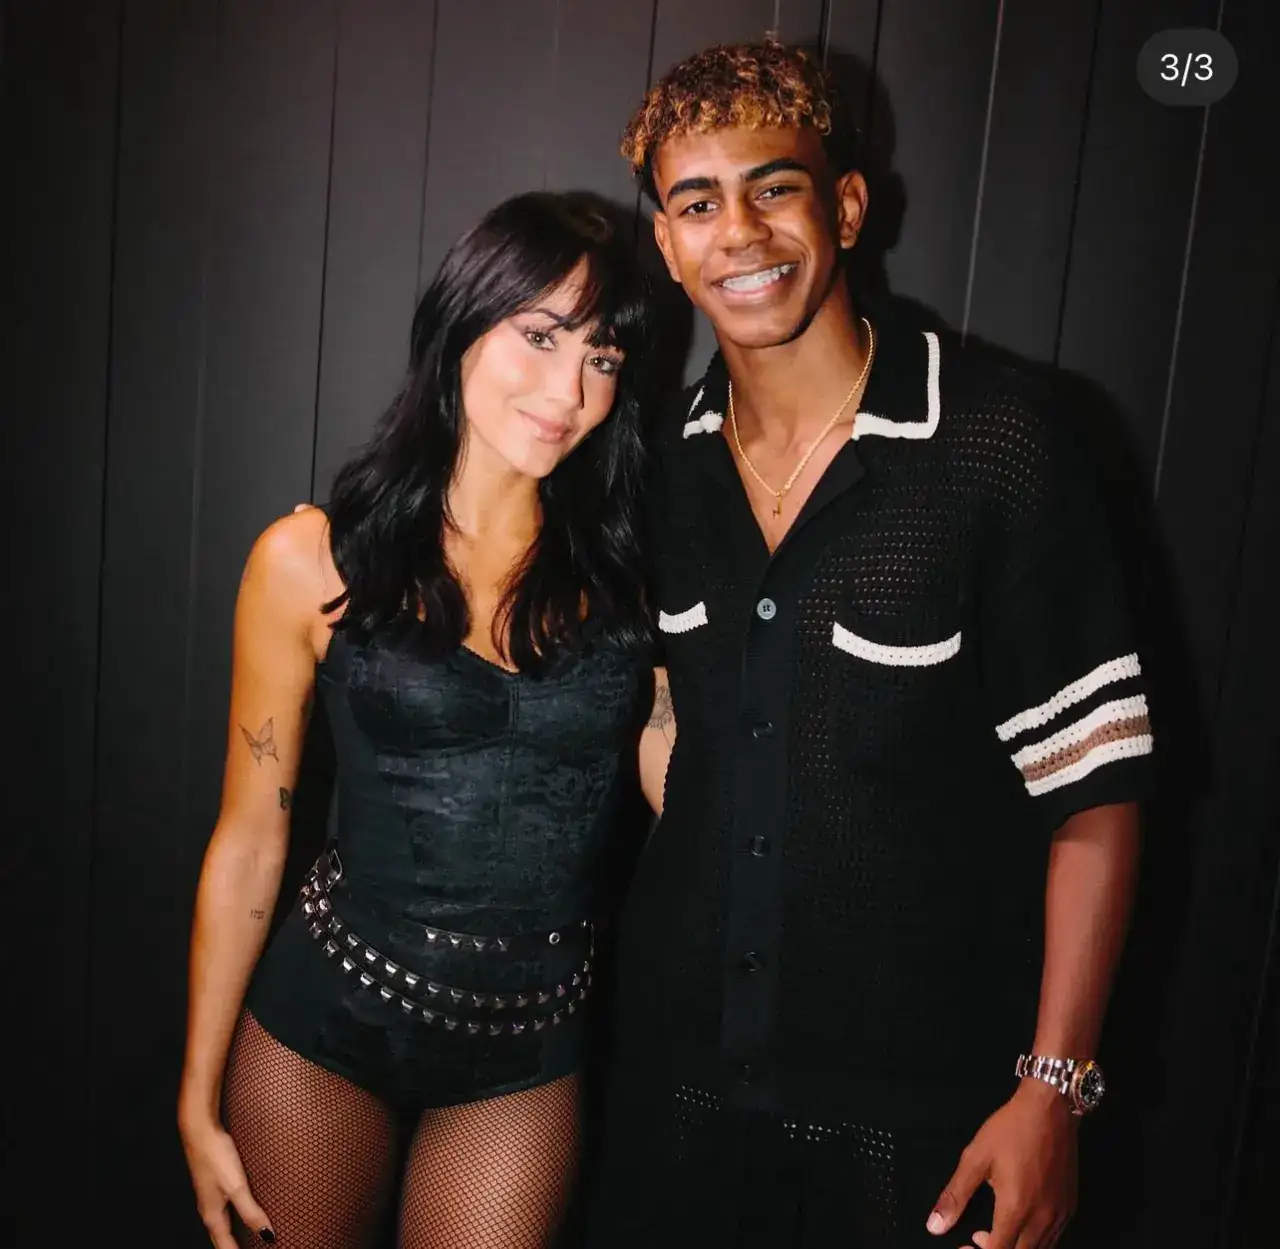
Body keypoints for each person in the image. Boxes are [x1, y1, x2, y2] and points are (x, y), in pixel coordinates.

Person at [586, 37, 1153, 1249]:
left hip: (922, 1121)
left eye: (773, 187)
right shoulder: (657, 473)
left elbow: (1095, 799)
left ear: (843, 206)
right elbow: (668, 736)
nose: (739, 232)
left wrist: (1051, 1089)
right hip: (673, 1097)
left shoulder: (999, 441)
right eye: (698, 203)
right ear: (666, 245)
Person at [177, 190, 657, 1249]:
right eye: (539, 336)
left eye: (602, 357)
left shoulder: (630, 580)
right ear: (461, 322)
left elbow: (683, 777)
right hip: (324, 1035)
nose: (568, 390)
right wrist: (196, 1096)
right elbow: (250, 840)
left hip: (524, 1060)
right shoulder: (310, 561)